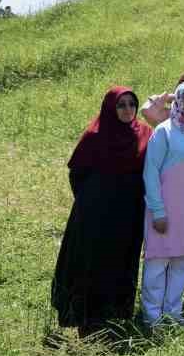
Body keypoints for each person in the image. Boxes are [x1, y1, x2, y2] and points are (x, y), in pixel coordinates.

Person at [51, 86, 150, 334]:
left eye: (131, 104)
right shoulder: (95, 136)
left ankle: (117, 312)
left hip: (130, 210)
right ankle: (88, 317)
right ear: (110, 108)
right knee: (92, 260)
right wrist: (91, 202)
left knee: (122, 258)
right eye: (121, 105)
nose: (128, 109)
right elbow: (77, 174)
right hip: (95, 212)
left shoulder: (144, 133)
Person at [140, 79, 184, 326]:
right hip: (165, 211)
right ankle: (152, 317)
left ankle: (173, 312)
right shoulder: (164, 130)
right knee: (158, 264)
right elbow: (150, 172)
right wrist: (158, 211)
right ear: (178, 99)